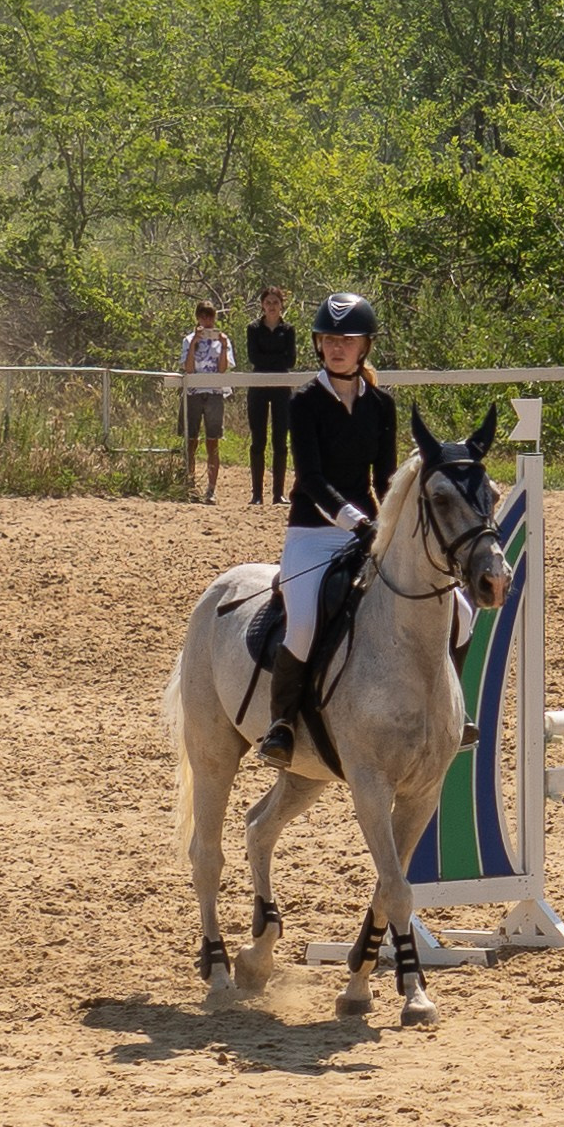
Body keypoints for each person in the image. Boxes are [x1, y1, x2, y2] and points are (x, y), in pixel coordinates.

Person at [257, 292, 399, 768]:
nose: (338, 346)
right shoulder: (305, 403)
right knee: (303, 623)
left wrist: (394, 522)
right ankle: (281, 724)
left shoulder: (381, 405)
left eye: (348, 339)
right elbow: (311, 480)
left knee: (453, 607)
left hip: (366, 535)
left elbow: (386, 481)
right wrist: (356, 521)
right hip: (313, 534)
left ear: (364, 347)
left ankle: (449, 711)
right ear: (319, 345)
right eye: (330, 338)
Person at [244, 286, 298, 505]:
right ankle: (257, 494)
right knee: (258, 439)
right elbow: (253, 357)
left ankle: (278, 494)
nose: (272, 306)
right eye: (268, 302)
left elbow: (290, 360)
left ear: (281, 304)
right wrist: (276, 358)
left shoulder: (289, 329)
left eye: (275, 302)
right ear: (262, 305)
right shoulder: (253, 328)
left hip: (282, 387)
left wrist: (272, 360)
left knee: (280, 441)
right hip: (258, 385)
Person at [180, 301, 236, 503]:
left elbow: (222, 369)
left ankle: (211, 489)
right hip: (194, 393)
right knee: (191, 441)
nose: (207, 321)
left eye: (210, 316)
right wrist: (195, 342)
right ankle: (189, 484)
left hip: (214, 393)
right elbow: (188, 368)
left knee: (213, 441)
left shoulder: (223, 340)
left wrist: (221, 345)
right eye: (203, 317)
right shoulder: (188, 340)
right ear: (197, 318)